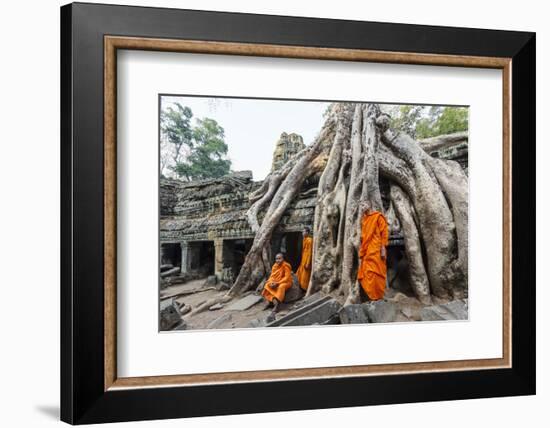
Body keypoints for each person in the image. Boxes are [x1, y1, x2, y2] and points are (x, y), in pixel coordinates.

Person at [357, 204, 389, 301]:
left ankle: (377, 296)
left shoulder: (378, 216)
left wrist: (383, 247)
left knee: (377, 272)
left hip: (376, 249)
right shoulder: (364, 219)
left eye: (364, 204)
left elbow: (384, 232)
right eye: (361, 205)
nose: (362, 207)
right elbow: (363, 235)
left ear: (369, 205)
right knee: (367, 272)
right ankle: (369, 296)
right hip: (367, 250)